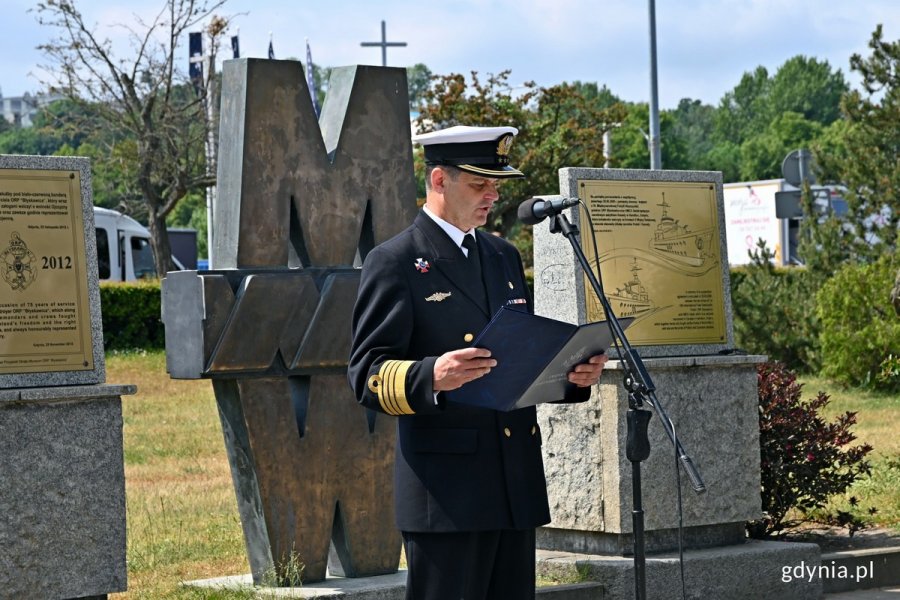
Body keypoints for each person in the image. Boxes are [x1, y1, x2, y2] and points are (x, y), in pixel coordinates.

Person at [347, 125, 608, 600]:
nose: (492, 196)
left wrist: (571, 378)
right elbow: (366, 374)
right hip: (447, 493)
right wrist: (432, 376)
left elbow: (517, 356)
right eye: (479, 184)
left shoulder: (503, 256)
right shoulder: (397, 261)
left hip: (512, 482)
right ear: (439, 180)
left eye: (496, 185)